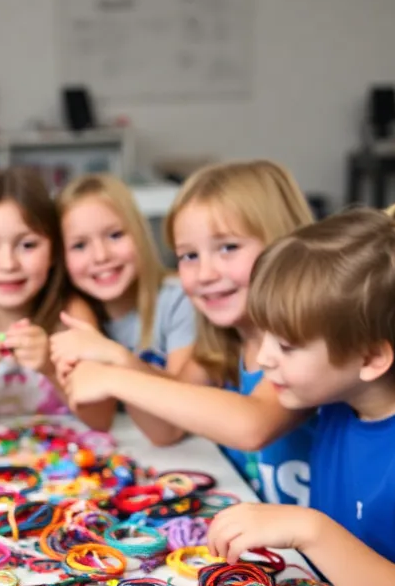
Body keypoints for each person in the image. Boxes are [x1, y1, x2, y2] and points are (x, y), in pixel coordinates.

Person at [207, 206, 395, 586]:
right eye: (264, 335)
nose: (262, 358)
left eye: (288, 344)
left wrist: (310, 529)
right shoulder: (339, 399)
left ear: (370, 356)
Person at [59, 160, 317, 504]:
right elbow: (166, 428)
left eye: (228, 247)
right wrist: (117, 356)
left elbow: (253, 424)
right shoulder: (223, 342)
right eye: (189, 255)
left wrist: (113, 377)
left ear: (283, 246)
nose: (205, 273)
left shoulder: (309, 340)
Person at [0, 167, 114, 432]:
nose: (8, 264)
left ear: (53, 252)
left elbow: (101, 419)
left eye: (27, 245)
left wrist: (50, 367)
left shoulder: (70, 315)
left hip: (65, 465)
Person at [49, 173, 196, 444]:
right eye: (79, 245)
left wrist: (116, 355)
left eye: (115, 235)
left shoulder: (179, 300)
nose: (101, 256)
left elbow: (177, 421)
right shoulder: (73, 313)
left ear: (139, 232)